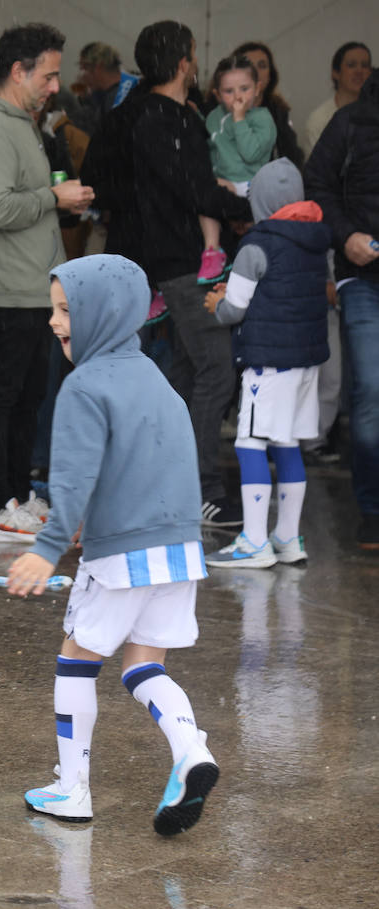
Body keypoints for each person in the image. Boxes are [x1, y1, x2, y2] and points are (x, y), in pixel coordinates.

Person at [8, 254, 217, 837]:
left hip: (121, 553)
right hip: (179, 551)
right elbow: (159, 465)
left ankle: (71, 788)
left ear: (104, 313)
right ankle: (190, 749)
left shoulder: (85, 386)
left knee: (77, 659)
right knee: (143, 664)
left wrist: (48, 547)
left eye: (67, 309)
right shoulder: (158, 381)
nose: (54, 321)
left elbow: (72, 479)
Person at [0, 22, 94, 543]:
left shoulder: (19, 123)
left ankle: (15, 495)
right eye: (50, 74)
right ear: (18, 72)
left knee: (23, 399)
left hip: (31, 288)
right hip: (6, 289)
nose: (56, 86)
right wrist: (53, 200)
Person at [128, 21, 253, 528]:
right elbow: (195, 190)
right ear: (185, 62)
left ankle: (165, 478)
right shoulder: (165, 120)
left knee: (184, 373)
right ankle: (201, 488)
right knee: (216, 370)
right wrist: (248, 203)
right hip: (184, 264)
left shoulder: (168, 116)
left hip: (182, 261)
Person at [203, 159, 330, 568]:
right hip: (306, 362)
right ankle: (288, 538)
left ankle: (254, 542)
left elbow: (234, 309)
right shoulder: (314, 241)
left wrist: (214, 303)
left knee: (250, 443)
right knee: (288, 443)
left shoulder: (256, 245)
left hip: (270, 364)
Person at [306, 69, 379, 548]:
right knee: (371, 389)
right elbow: (317, 184)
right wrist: (345, 235)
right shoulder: (351, 121)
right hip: (363, 276)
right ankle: (373, 510)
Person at [197, 54, 276, 284]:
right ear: (216, 94)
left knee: (256, 248)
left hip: (254, 186)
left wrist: (239, 119)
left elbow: (251, 154)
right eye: (228, 91)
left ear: (258, 88)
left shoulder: (263, 118)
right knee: (206, 192)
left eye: (245, 88)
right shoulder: (213, 118)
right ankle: (212, 250)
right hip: (225, 184)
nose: (238, 97)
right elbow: (210, 148)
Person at [232, 41, 304, 167]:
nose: (255, 71)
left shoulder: (278, 111)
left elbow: (293, 158)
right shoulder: (219, 110)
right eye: (248, 65)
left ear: (270, 75)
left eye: (262, 65)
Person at [302, 42, 371, 157]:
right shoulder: (319, 120)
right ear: (336, 73)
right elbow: (318, 170)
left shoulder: (374, 114)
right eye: (351, 65)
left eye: (365, 65)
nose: (359, 71)